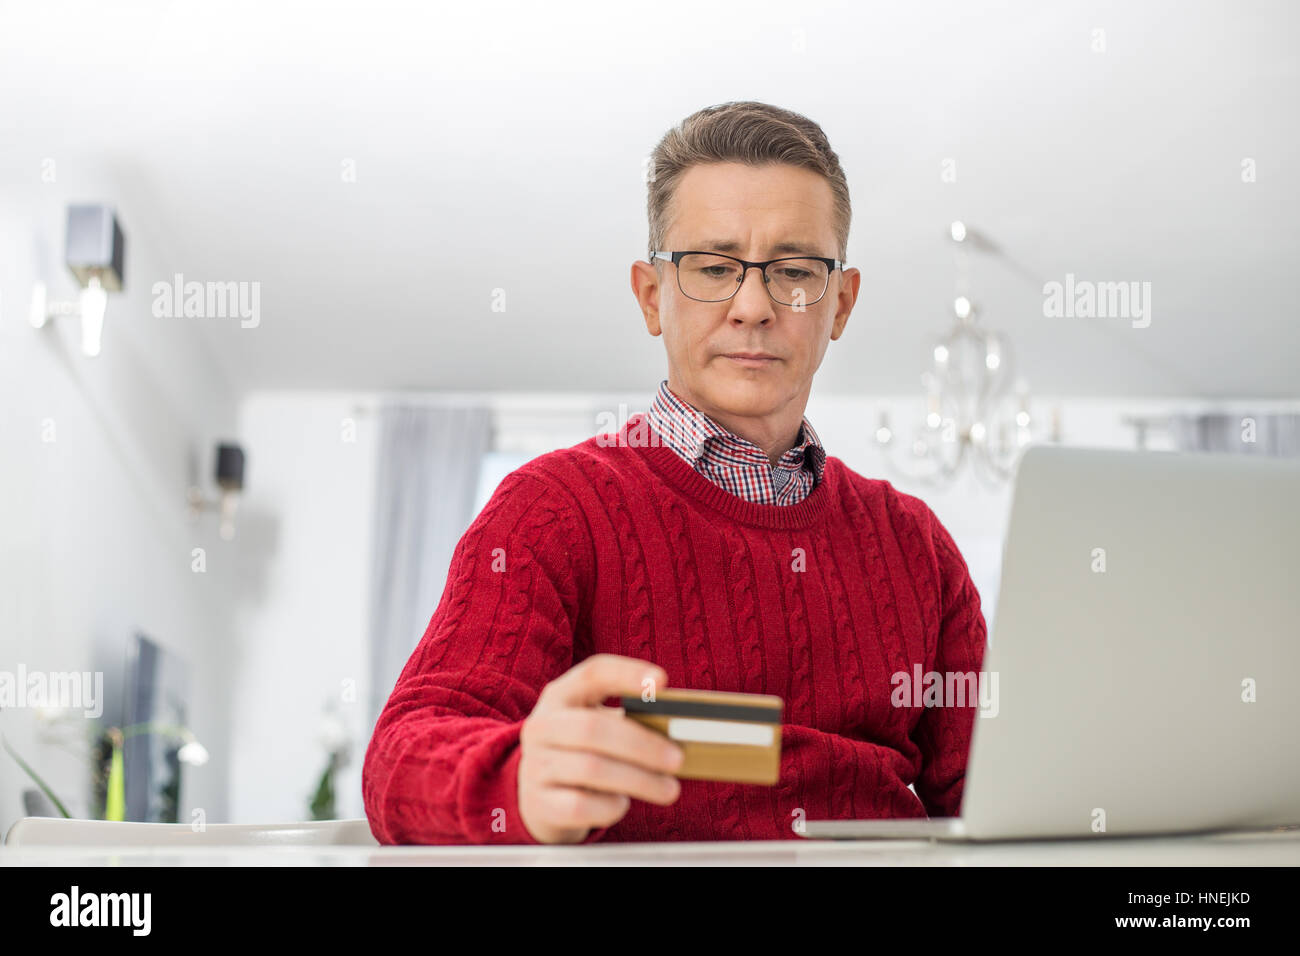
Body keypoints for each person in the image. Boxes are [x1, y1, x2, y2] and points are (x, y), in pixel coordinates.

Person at [363, 101, 987, 844]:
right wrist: (516, 777)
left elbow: (997, 794)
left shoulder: (916, 544)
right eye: (714, 268)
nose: (753, 306)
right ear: (651, 295)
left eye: (793, 271)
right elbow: (400, 760)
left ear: (840, 304)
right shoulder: (550, 510)